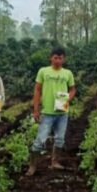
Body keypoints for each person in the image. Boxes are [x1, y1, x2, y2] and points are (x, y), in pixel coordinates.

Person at [26, 47, 76, 176]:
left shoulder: (68, 73)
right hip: (47, 112)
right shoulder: (43, 71)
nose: (58, 60)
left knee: (60, 139)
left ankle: (55, 162)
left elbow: (72, 89)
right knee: (40, 140)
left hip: (62, 112)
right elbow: (37, 90)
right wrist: (36, 110)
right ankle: (32, 166)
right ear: (51, 58)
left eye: (60, 58)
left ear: (64, 59)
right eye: (55, 57)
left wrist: (67, 99)